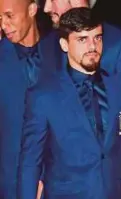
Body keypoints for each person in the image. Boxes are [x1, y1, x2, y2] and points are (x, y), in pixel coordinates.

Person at [17, 8, 121, 199]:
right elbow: (30, 161)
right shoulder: (43, 96)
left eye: (97, 38)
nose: (92, 46)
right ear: (64, 44)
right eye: (82, 39)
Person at [0, 0, 60, 198]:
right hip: (10, 185)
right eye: (0, 18)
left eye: (9, 16)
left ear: (32, 9)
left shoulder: (62, 52)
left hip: (60, 182)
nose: (4, 25)